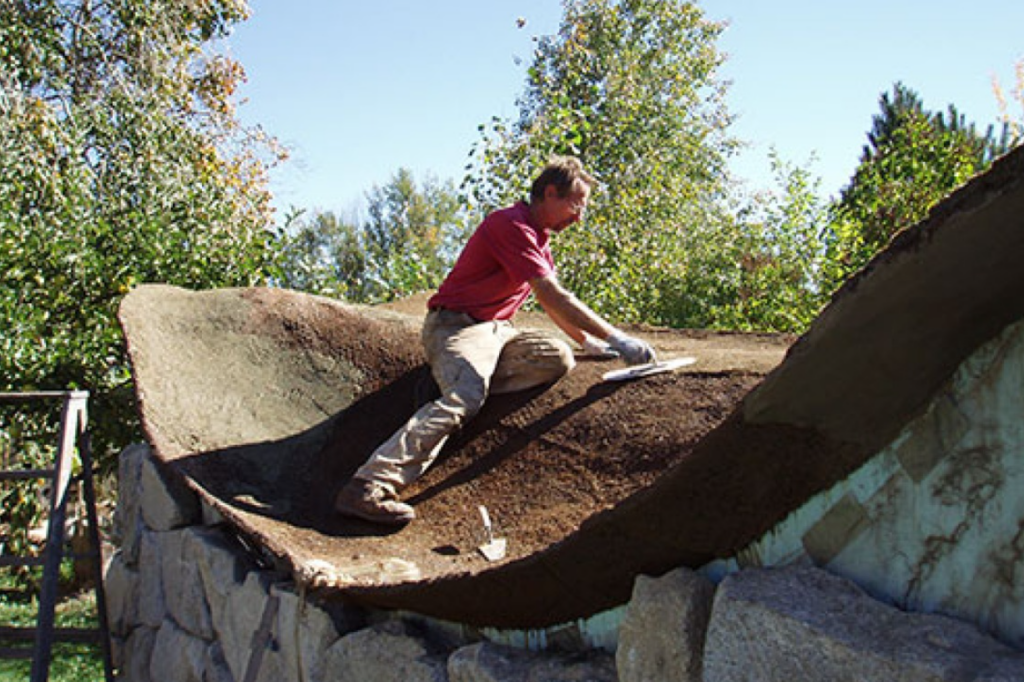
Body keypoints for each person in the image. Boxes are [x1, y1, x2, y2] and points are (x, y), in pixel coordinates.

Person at [335, 156, 656, 525]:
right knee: (465, 397)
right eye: (576, 203)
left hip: (497, 331)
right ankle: (367, 485)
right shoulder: (508, 224)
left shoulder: (540, 240)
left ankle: (457, 378)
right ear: (550, 193)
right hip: (454, 327)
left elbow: (546, 303)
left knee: (556, 357)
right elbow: (553, 294)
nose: (579, 216)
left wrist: (588, 343)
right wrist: (617, 337)